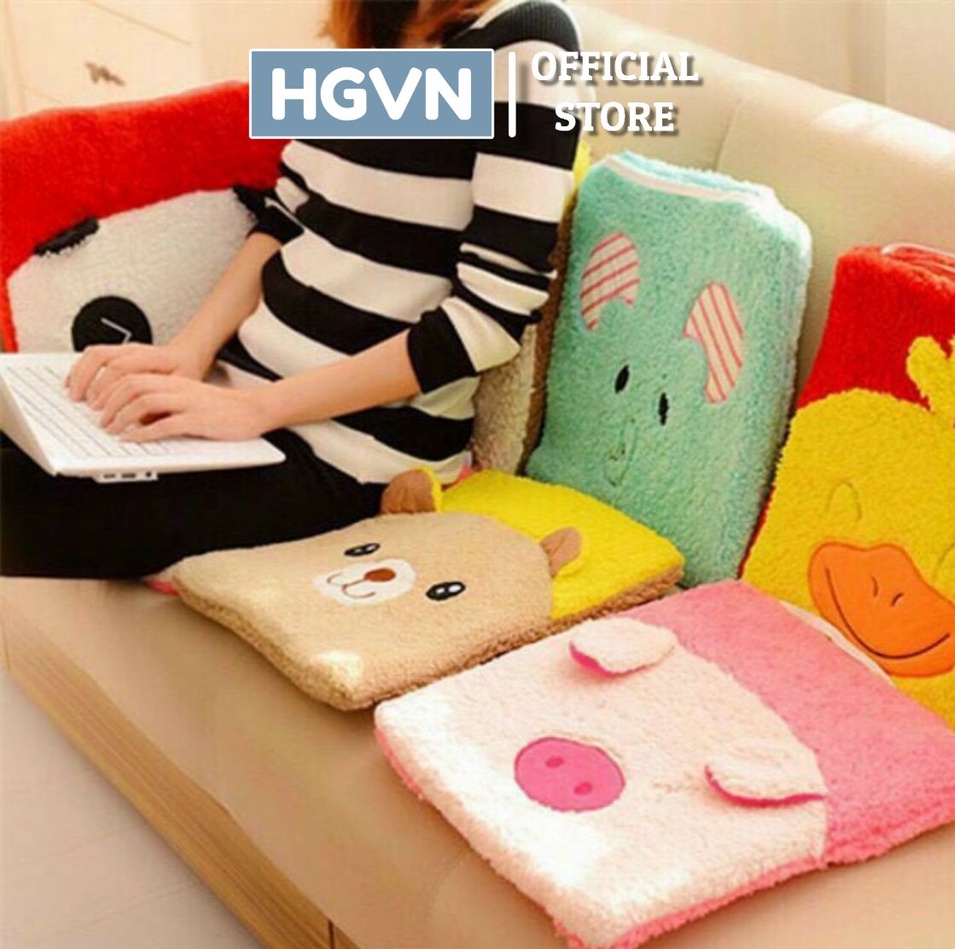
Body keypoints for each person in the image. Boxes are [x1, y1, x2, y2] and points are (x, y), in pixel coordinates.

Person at [0, 0, 581, 578]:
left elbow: (490, 319)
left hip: (346, 456)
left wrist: (257, 409)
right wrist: (188, 352)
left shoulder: (526, 41)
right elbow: (286, 215)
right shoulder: (363, 35)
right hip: (233, 401)